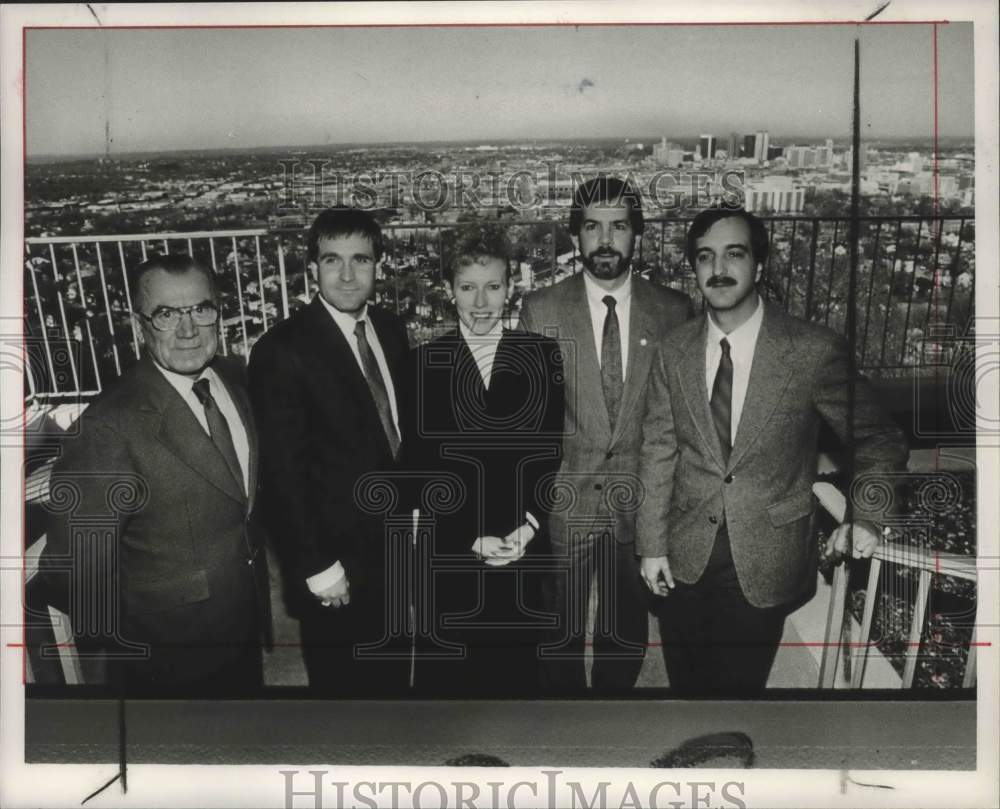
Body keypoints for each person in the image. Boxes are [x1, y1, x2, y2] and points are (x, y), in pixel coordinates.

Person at [636, 207, 909, 694]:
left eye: (734, 254)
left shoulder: (811, 350)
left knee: (740, 698)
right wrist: (651, 546)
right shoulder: (673, 351)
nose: (718, 269)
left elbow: (879, 437)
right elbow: (658, 450)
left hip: (766, 558)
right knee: (685, 692)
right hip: (683, 558)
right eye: (705, 257)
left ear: (760, 266)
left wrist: (865, 515)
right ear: (694, 269)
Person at [41, 253, 271, 695]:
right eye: (166, 314)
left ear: (218, 313)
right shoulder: (107, 427)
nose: (187, 330)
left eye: (200, 310)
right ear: (138, 324)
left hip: (243, 627)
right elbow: (73, 570)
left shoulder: (235, 380)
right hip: (166, 660)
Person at [517, 176, 694, 692]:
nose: (605, 240)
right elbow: (532, 423)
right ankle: (570, 721)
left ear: (636, 234)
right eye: (592, 227)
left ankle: (615, 714)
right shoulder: (542, 309)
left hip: (639, 501)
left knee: (626, 628)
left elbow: (678, 419)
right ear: (577, 236)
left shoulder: (674, 311)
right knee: (561, 627)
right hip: (566, 496)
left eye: (619, 227)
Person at [248, 207, 410, 694]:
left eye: (360, 259)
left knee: (393, 679)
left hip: (393, 550)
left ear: (378, 265)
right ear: (312, 268)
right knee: (343, 695)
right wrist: (316, 567)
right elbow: (281, 475)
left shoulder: (390, 328)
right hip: (333, 561)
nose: (346, 273)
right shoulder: (282, 350)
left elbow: (398, 436)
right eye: (332, 259)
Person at [401, 228, 564, 696]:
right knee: (451, 695)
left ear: (511, 288)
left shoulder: (542, 356)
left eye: (492, 286)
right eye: (468, 287)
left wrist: (528, 527)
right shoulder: (420, 366)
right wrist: (471, 537)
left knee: (517, 687)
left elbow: (548, 455)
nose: (480, 302)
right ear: (450, 291)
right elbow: (419, 469)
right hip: (453, 550)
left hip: (521, 543)